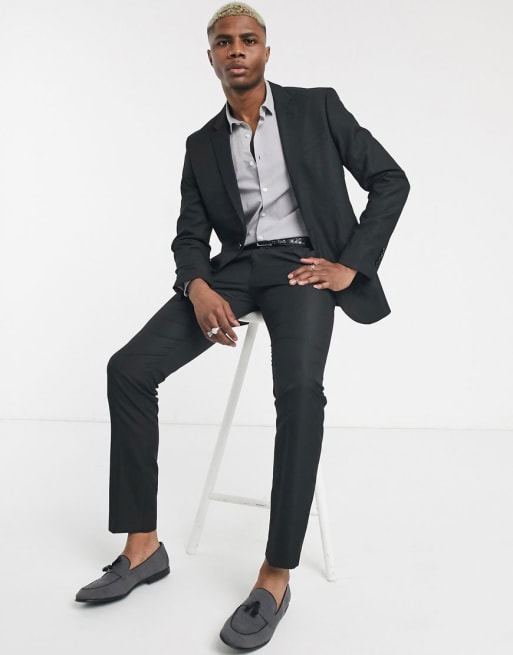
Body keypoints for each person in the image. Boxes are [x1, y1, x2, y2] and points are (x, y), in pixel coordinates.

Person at [75, 2, 410, 650]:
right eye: (224, 42)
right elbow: (189, 235)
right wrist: (197, 285)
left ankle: (274, 575)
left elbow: (389, 180)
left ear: (265, 51)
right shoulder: (201, 143)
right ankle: (143, 547)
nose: (236, 50)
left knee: (300, 393)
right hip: (231, 272)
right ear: (211, 58)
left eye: (248, 40)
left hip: (303, 266)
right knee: (129, 369)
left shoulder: (316, 108)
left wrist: (350, 265)